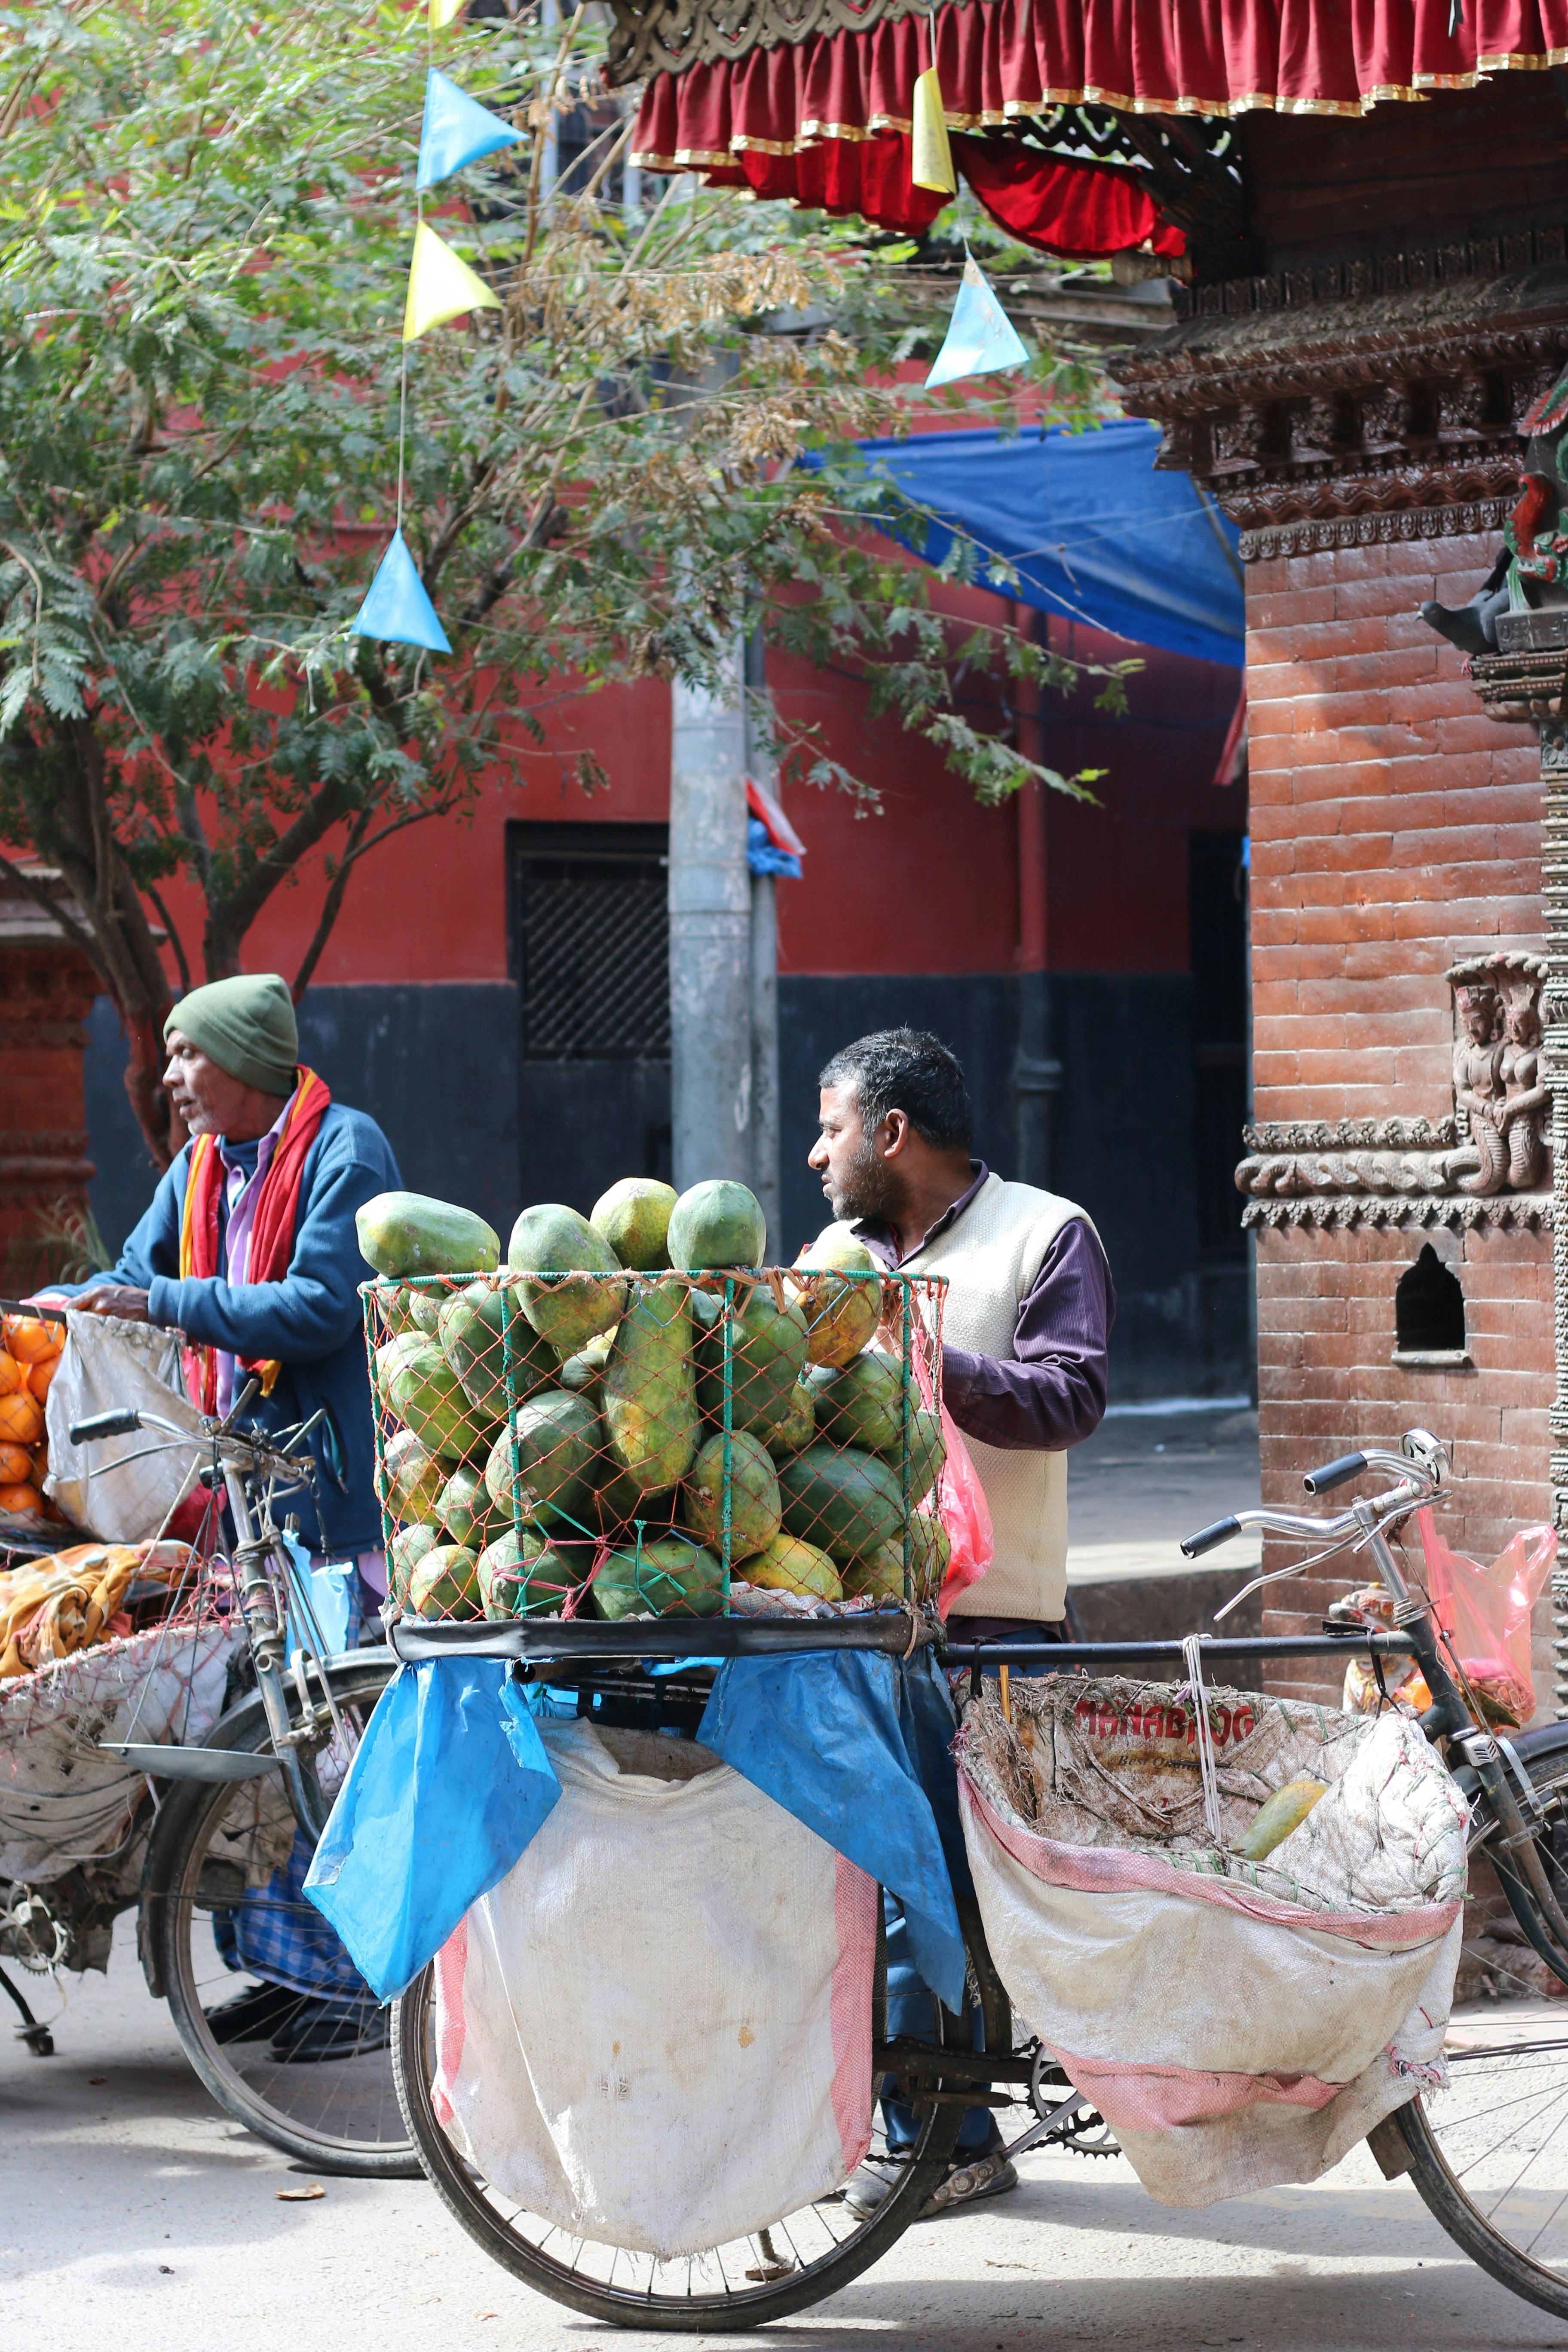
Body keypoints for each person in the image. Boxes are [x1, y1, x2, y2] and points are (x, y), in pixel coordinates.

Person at [40, 973, 402, 2061]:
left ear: (249, 1062)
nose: (173, 1079)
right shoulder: (199, 1172)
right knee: (260, 1731)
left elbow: (319, 1306)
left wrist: (157, 1301)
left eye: (191, 1057)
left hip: (337, 1497)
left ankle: (367, 1984)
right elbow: (134, 1274)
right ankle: (294, 1974)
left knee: (338, 1741)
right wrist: (71, 1309)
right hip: (242, 1497)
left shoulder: (347, 1147)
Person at [805, 1026, 1115, 2220]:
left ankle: (944, 2136)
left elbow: (1072, 1395)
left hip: (999, 1626)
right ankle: (940, 2133)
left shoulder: (1049, 1232)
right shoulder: (834, 1254)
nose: (819, 1157)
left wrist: (924, 1352)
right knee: (878, 1882)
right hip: (862, 1622)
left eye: (834, 1129)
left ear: (893, 1134)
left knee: (952, 1891)